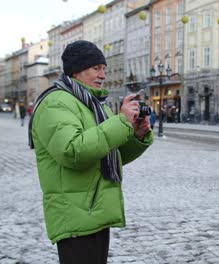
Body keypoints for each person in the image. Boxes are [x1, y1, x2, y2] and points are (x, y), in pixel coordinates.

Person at [28, 40, 153, 264]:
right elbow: (72, 151)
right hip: (75, 213)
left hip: (95, 210)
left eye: (104, 68)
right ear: (77, 70)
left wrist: (136, 135)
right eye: (96, 68)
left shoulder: (94, 103)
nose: (103, 74)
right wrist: (120, 122)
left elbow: (109, 154)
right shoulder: (56, 102)